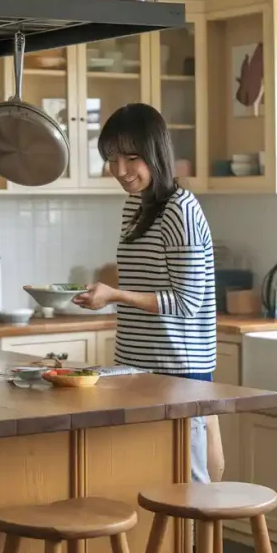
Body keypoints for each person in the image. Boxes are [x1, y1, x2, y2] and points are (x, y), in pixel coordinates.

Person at [73, 102, 224, 483]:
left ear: (156, 153)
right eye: (111, 159)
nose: (120, 171)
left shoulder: (181, 211)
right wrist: (110, 295)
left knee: (187, 483)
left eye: (132, 158)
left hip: (178, 368)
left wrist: (116, 296)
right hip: (135, 364)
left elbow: (187, 303)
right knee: (143, 475)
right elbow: (145, 282)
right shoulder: (134, 208)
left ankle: (190, 547)